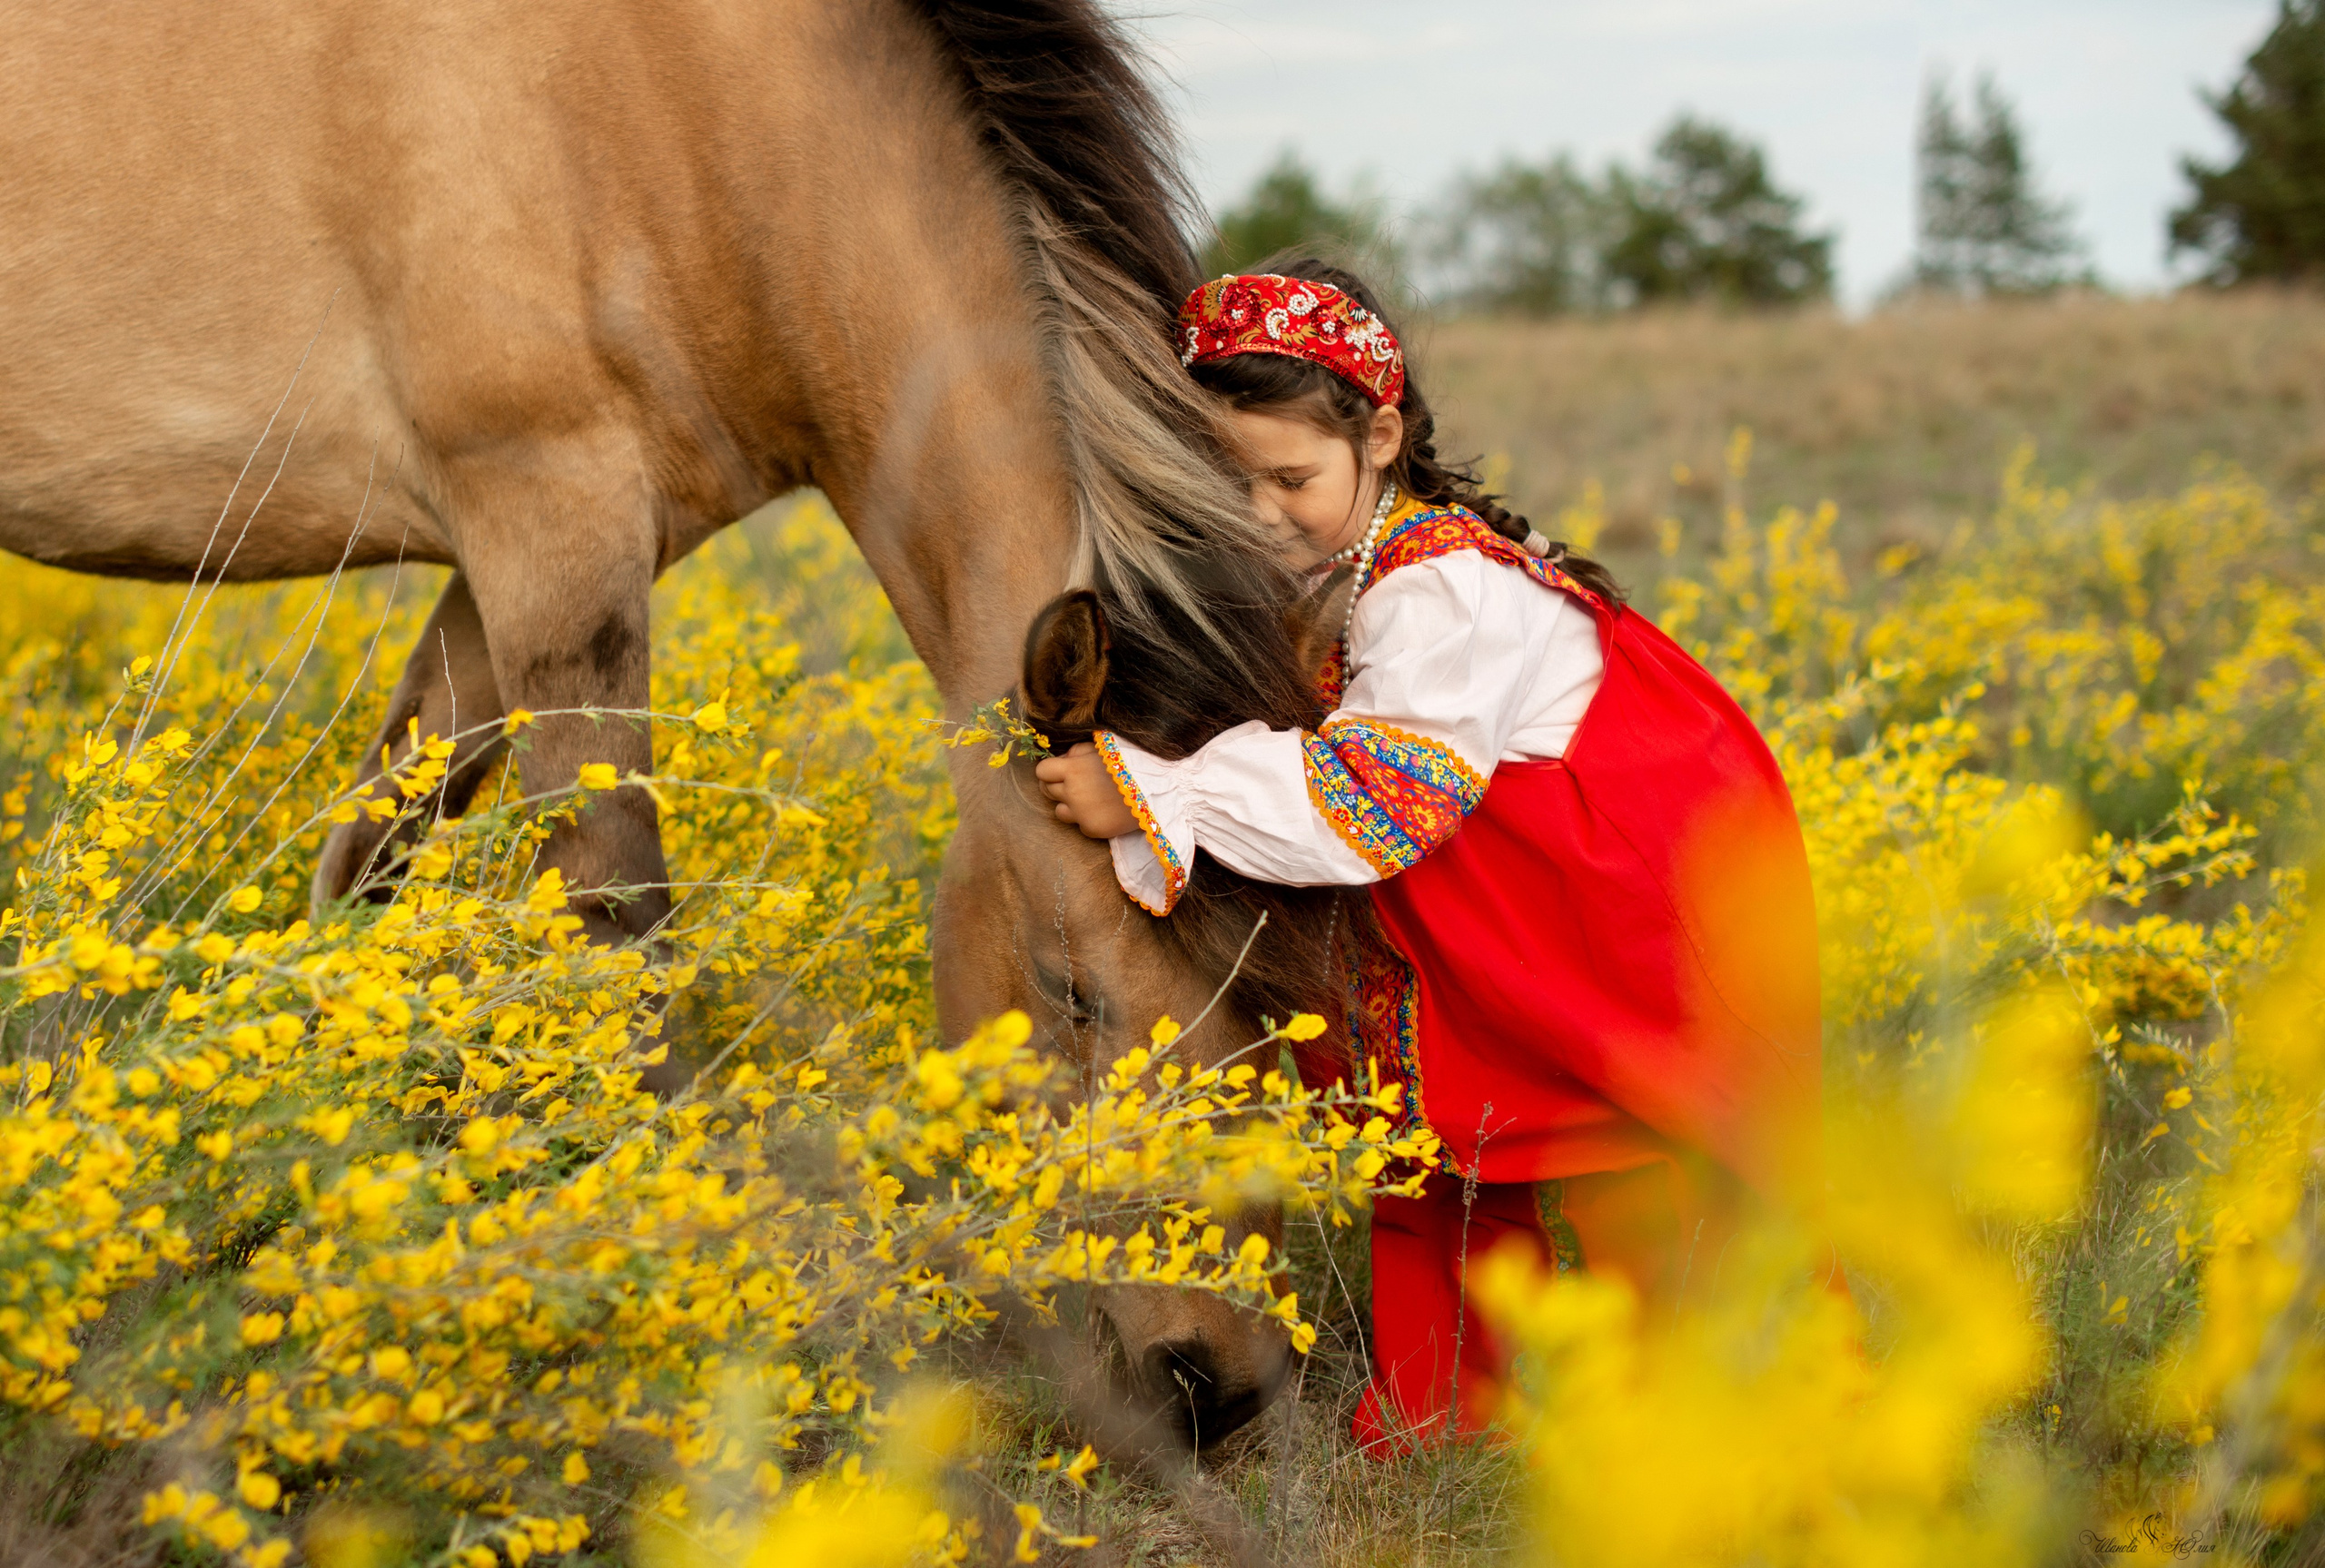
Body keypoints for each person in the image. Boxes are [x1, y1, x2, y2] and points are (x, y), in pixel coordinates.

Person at [1033, 260, 1841, 1455]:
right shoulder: (1330, 562)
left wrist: (1155, 795)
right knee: (1426, 1164)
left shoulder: (1443, 586)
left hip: (1599, 903)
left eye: (1290, 479)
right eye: (1225, 483)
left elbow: (1378, 804)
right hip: (1486, 907)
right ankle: (1441, 1417)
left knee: (1641, 1156)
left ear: (1384, 434)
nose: (1257, 513)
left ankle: (1758, 1405)